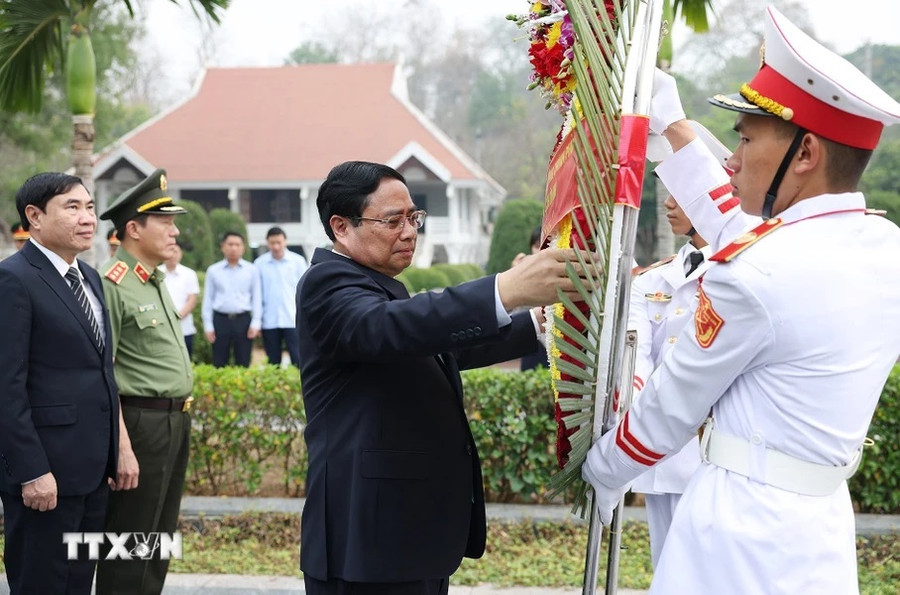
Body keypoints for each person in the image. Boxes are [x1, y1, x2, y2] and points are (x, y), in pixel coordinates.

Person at [581, 7, 900, 593]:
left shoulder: (756, 276)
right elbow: (740, 233)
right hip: (821, 527)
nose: (733, 158)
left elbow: (668, 412)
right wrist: (672, 124)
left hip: (735, 537)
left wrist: (598, 469)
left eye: (748, 139)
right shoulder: (883, 247)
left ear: (804, 155)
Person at [297, 160, 592, 594]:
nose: (410, 231)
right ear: (341, 227)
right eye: (393, 220)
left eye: (414, 217)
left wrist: (537, 324)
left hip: (403, 530)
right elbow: (399, 328)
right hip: (365, 537)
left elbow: (436, 345)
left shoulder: (376, 284)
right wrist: (505, 288)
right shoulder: (327, 283)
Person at [0, 173, 128, 594]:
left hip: (92, 473)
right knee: (42, 584)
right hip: (45, 476)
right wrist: (32, 470)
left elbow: (101, 372)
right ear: (34, 217)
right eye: (72, 207)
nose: (87, 218)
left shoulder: (89, 277)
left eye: (89, 207)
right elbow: (7, 387)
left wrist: (115, 452)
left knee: (77, 584)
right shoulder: (14, 279)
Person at [94, 168, 193, 595]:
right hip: (140, 424)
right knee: (131, 535)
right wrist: (122, 445)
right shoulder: (112, 284)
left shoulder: (153, 280)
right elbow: (103, 372)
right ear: (133, 228)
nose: (175, 231)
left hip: (173, 421)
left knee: (159, 532)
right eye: (165, 222)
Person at [628, 197, 710, 568]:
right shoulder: (655, 279)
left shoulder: (747, 270)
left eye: (683, 190)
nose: (668, 201)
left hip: (718, 455)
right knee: (669, 568)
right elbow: (637, 361)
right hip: (664, 450)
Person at [201, 231, 262, 367]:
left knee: (244, 362)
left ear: (243, 248)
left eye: (237, 245)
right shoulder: (213, 270)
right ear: (223, 246)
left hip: (243, 320)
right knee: (219, 362)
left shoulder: (252, 270)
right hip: (220, 320)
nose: (233, 248)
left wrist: (256, 322)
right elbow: (208, 299)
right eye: (230, 244)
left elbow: (257, 297)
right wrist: (208, 325)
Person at [254, 226, 308, 367]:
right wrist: (257, 321)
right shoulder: (259, 264)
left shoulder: (298, 262)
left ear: (285, 241)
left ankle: (298, 389)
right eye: (272, 243)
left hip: (293, 318)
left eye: (279, 242)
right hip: (269, 320)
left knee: (298, 359)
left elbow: (305, 291)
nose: (276, 246)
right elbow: (257, 295)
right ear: (267, 243)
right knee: (273, 362)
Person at [513, 226, 548, 371]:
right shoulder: (522, 272)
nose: (539, 251)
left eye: (543, 246)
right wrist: (515, 274)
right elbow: (515, 314)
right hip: (532, 341)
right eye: (535, 246)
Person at [161, 242, 200, 357]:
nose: (172, 255)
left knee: (185, 361)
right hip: (161, 328)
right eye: (169, 251)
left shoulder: (189, 274)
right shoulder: (155, 273)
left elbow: (192, 300)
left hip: (184, 328)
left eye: (175, 251)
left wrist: (176, 317)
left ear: (181, 254)